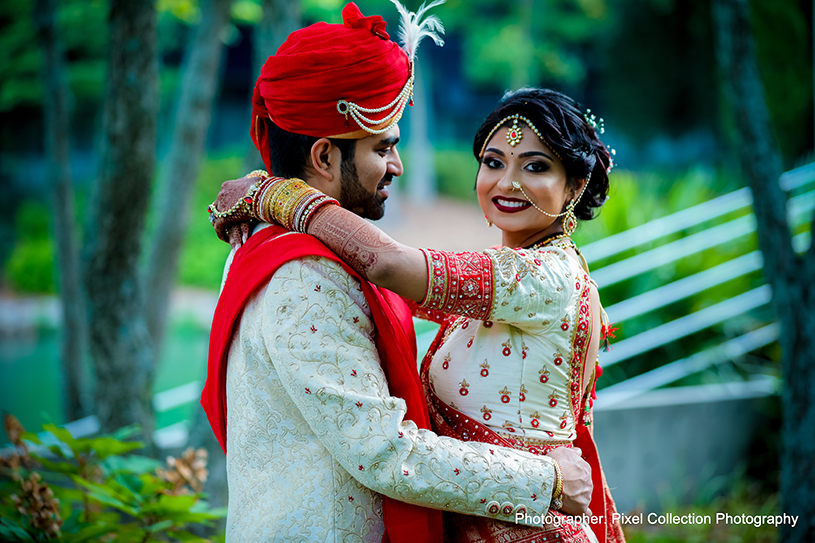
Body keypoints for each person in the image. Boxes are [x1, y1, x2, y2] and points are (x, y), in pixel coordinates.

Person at [201, 3, 594, 541]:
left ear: (574, 186)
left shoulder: (542, 280)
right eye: (384, 147)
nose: (398, 166)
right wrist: (546, 480)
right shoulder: (304, 275)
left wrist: (275, 194)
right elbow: (387, 452)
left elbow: (392, 266)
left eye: (537, 166)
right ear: (322, 155)